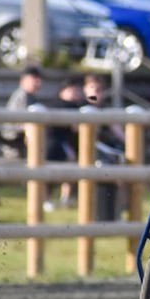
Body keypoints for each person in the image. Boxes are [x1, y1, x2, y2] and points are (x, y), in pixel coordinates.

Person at [45, 77, 84, 211]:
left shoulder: (76, 106)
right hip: (55, 143)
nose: (75, 93)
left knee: (70, 168)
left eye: (77, 90)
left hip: (65, 143)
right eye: (72, 90)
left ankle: (64, 198)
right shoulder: (60, 105)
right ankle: (49, 198)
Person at [0, 65, 44, 158]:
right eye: (34, 79)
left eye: (39, 79)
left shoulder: (30, 96)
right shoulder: (22, 95)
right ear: (23, 80)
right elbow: (21, 123)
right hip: (15, 144)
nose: (38, 82)